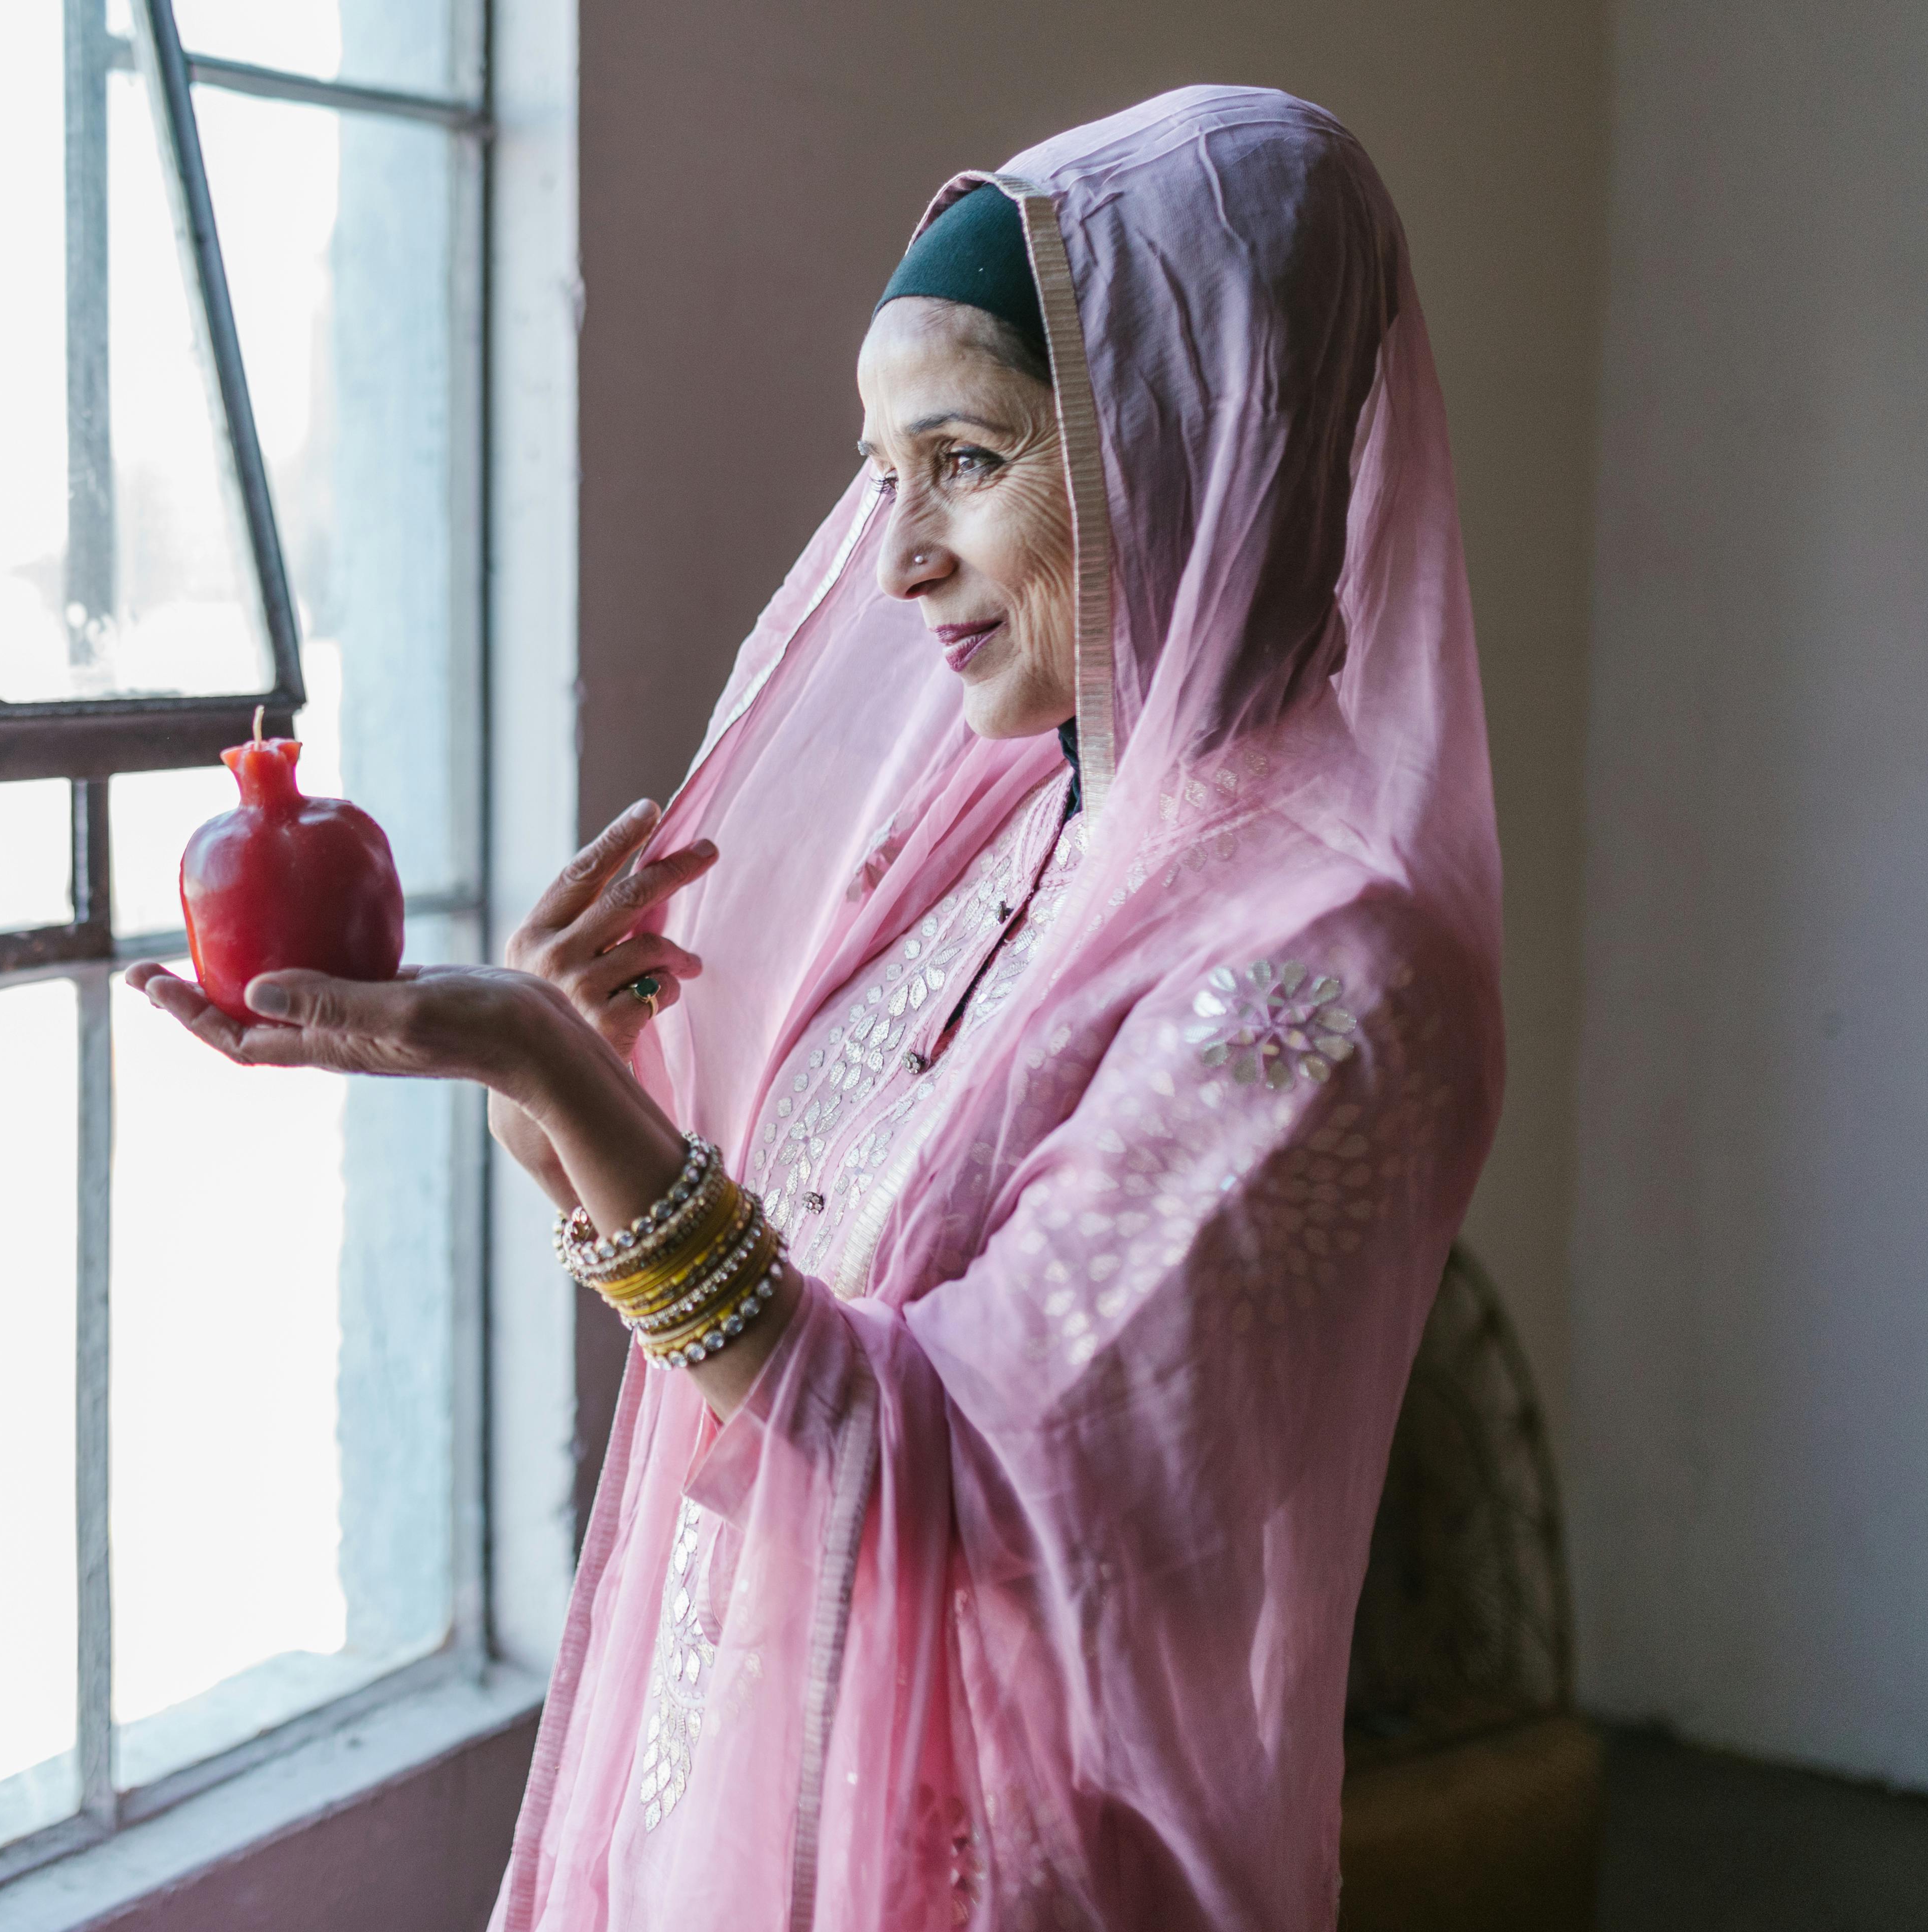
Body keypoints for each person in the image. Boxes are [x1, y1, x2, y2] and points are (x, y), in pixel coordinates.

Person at [130, 84, 1503, 1931]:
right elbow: (800, 1320)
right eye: (882, 473)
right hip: (746, 1790)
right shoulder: (1014, 814)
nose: (897, 562)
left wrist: (542, 1057)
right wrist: (552, 1114)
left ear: (1186, 434)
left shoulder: (1333, 956)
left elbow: (965, 1478)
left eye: (968, 459)